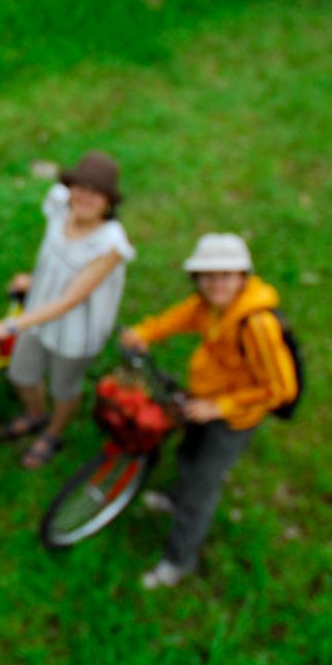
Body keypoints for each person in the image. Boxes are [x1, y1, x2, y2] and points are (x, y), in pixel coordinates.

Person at [121, 233, 298, 589]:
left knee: (203, 483)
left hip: (232, 418)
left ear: (243, 277)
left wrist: (219, 408)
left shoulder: (257, 324)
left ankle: (178, 560)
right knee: (187, 453)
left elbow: (281, 389)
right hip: (201, 399)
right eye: (207, 275)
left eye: (226, 275)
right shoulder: (208, 304)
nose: (215, 283)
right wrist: (144, 333)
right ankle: (174, 496)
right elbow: (179, 317)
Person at [0, 151, 135, 469]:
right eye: (80, 186)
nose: (84, 196)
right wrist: (35, 280)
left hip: (76, 330)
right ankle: (35, 414)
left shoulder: (110, 246)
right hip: (38, 313)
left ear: (108, 202)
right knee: (21, 373)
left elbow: (70, 301)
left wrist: (10, 326)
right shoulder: (62, 205)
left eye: (96, 192)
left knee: (64, 386)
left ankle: (53, 432)